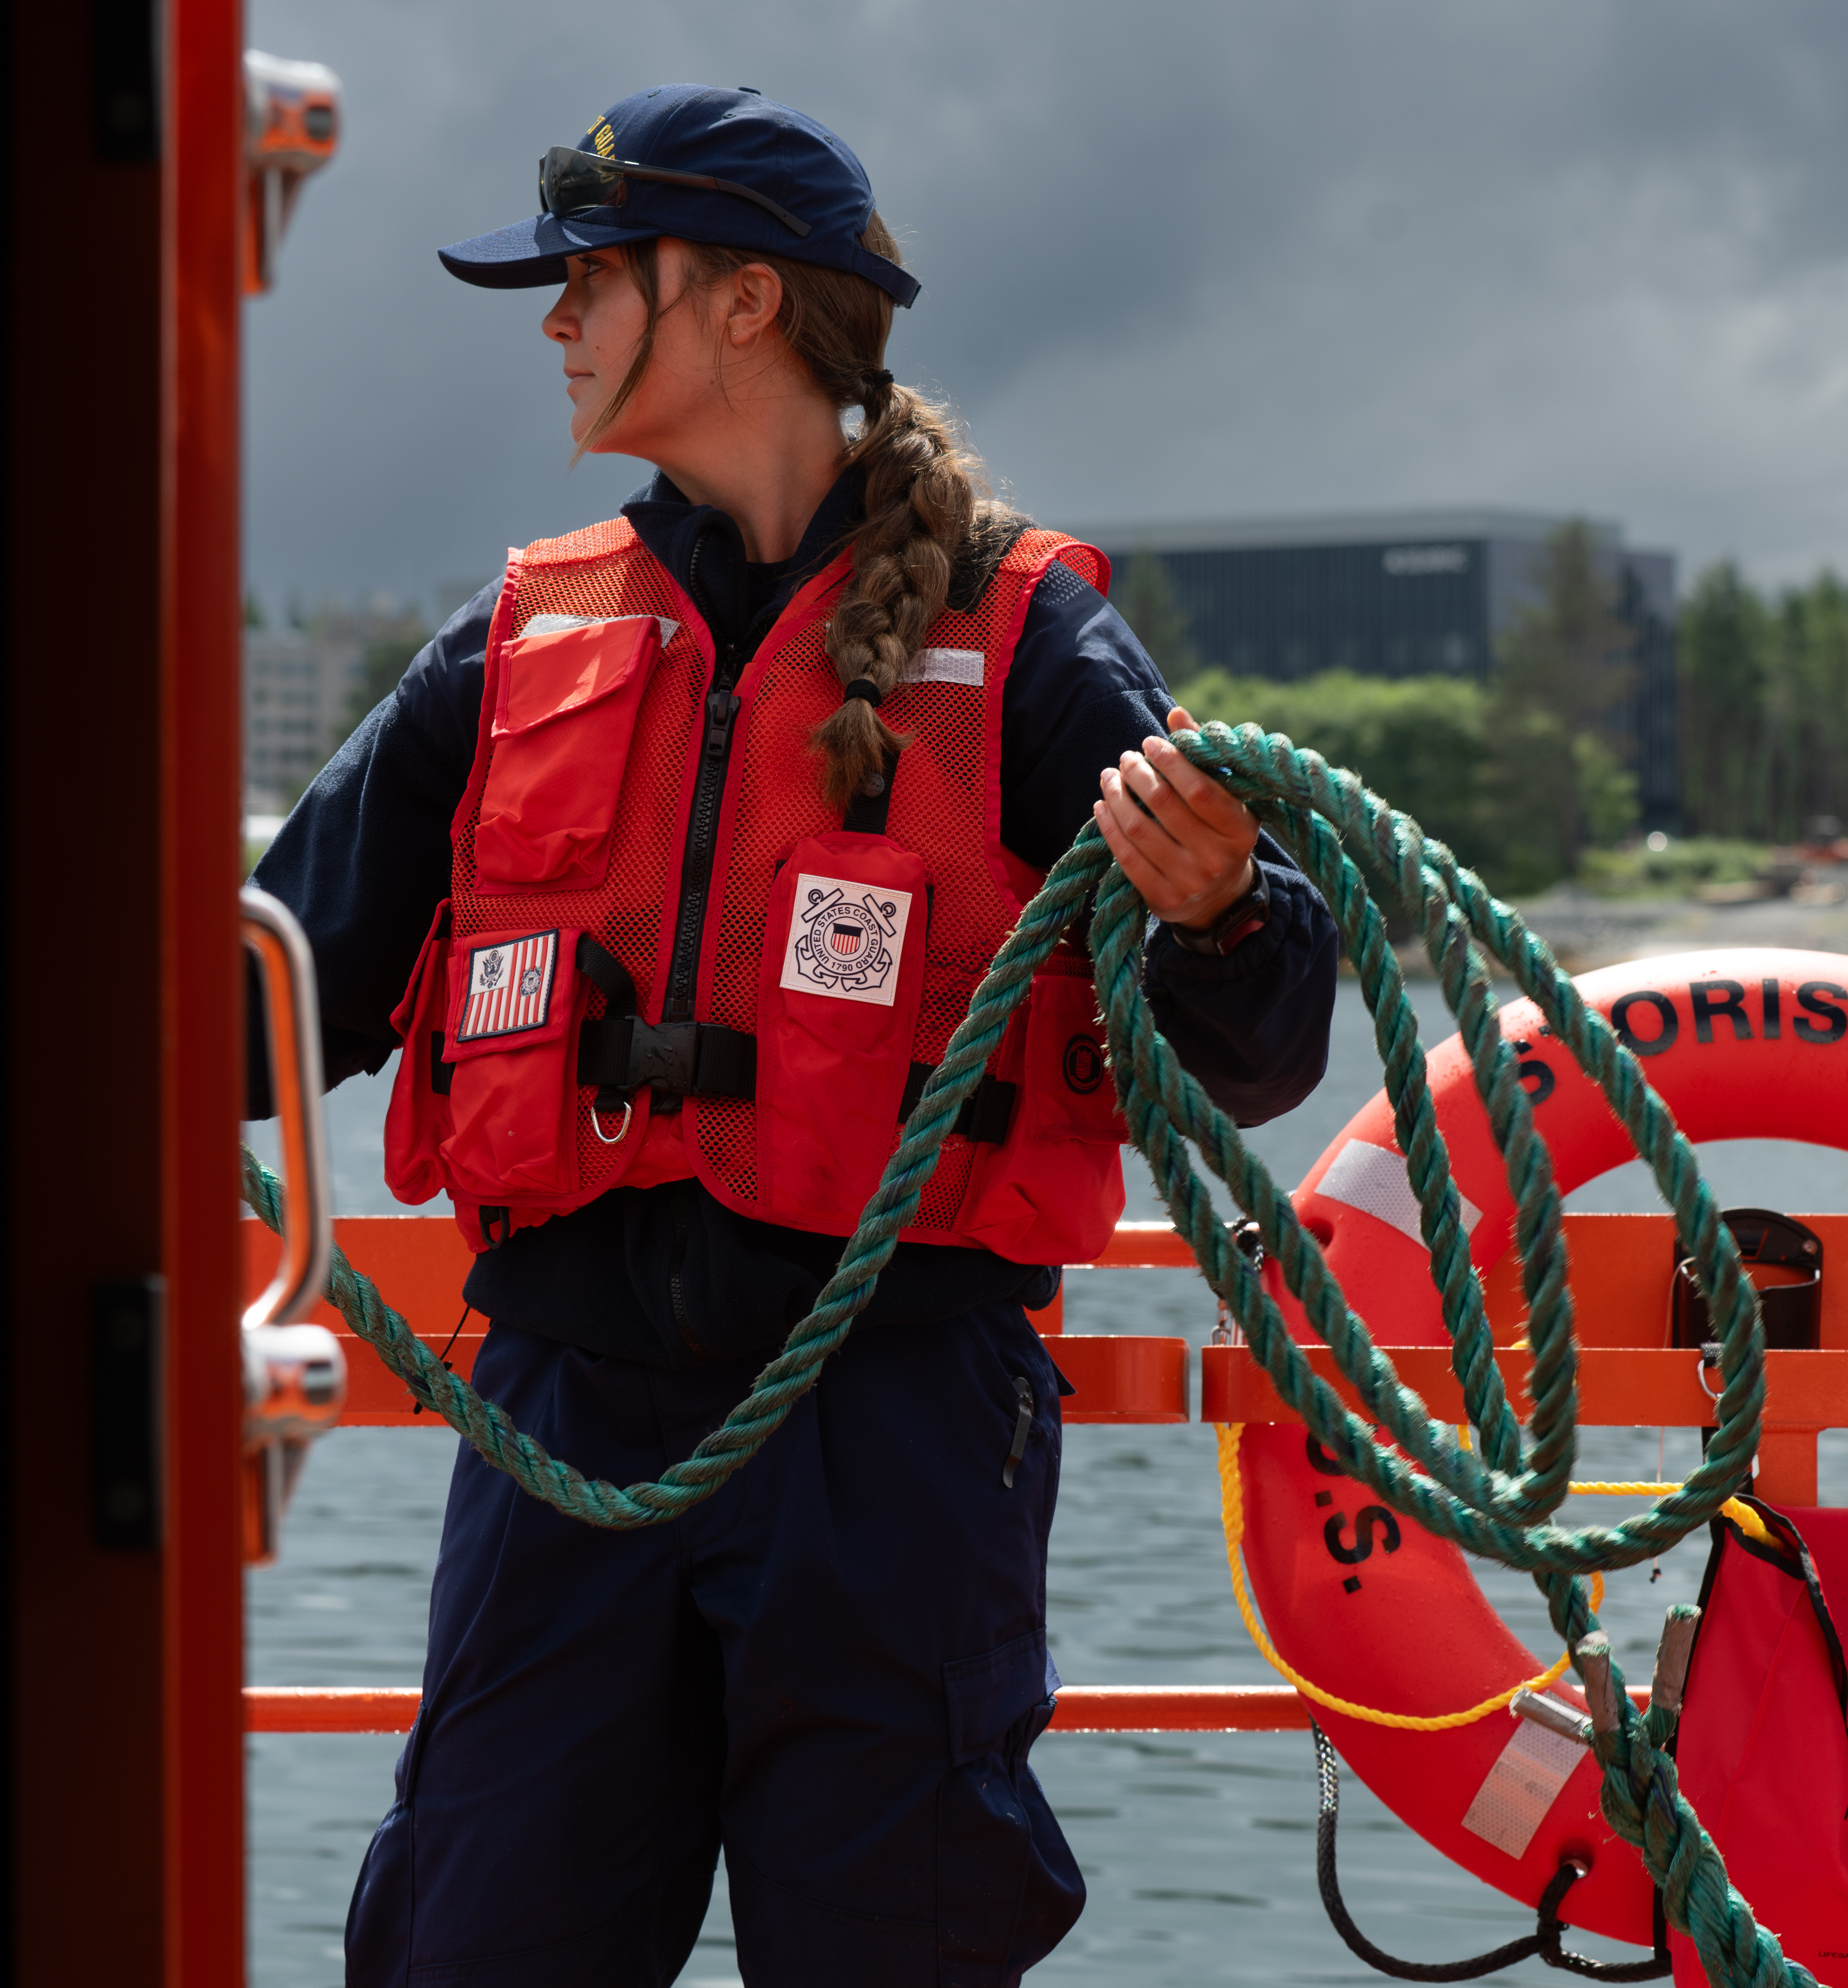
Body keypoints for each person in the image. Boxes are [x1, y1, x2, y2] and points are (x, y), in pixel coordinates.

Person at [247, 85, 1339, 1988]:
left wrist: (1220, 912)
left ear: (743, 300)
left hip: (896, 1436)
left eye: (592, 276)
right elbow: (261, 986)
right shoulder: (513, 648)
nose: (554, 320)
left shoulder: (1030, 646)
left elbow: (1266, 1042)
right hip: (565, 1424)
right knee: (474, 1943)